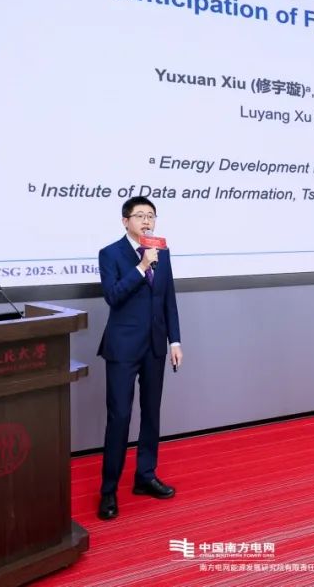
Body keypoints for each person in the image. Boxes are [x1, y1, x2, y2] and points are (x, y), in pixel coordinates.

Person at [96, 196, 183, 521]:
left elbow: (168, 299)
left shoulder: (163, 252)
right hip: (122, 347)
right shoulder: (110, 253)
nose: (147, 221)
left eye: (151, 216)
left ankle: (145, 476)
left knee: (151, 413)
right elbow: (113, 296)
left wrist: (175, 340)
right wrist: (142, 267)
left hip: (155, 346)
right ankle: (108, 490)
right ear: (125, 221)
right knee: (119, 416)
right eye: (140, 216)